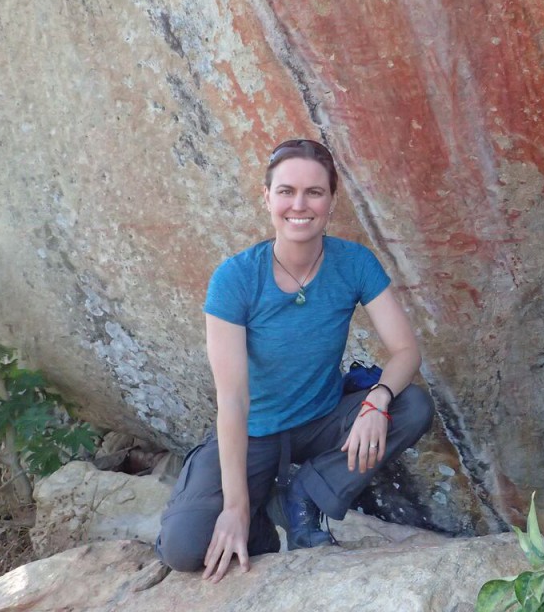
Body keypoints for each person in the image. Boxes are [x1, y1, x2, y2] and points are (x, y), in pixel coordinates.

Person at [155, 138, 434, 582]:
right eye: (286, 191)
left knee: (412, 405)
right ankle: (263, 522)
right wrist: (235, 508)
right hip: (253, 431)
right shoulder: (236, 278)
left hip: (321, 421)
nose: (299, 205)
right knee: (185, 547)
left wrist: (376, 399)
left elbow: (406, 351)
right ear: (267, 197)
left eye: (314, 192)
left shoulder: (354, 263)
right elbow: (232, 401)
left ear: (331, 201)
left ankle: (307, 492)